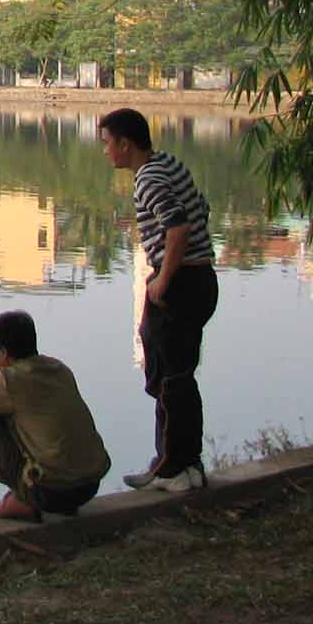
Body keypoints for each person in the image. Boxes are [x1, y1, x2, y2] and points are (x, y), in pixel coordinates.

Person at [98, 106, 219, 492]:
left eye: (106, 144)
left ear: (125, 143)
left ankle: (171, 469)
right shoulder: (168, 163)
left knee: (170, 379)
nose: (105, 152)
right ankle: (184, 464)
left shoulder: (149, 179)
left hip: (182, 282)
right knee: (179, 374)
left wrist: (163, 280)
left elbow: (178, 228)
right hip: (200, 279)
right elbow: (201, 208)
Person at [0, 310, 111, 521]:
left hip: (52, 492)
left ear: (3, 353)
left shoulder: (11, 381)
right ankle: (35, 491)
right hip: (90, 485)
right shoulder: (60, 368)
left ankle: (21, 498)